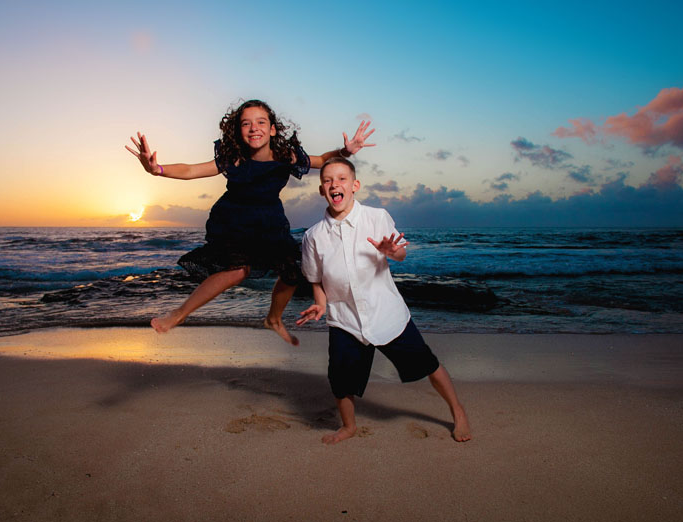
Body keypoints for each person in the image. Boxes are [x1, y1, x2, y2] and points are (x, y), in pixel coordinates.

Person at [127, 100, 374, 345]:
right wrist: (157, 169)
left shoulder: (285, 156)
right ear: (239, 131)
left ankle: (274, 319)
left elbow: (322, 159)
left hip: (269, 223)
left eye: (261, 122)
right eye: (246, 124)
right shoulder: (234, 159)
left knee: (292, 272)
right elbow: (192, 170)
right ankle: (178, 314)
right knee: (237, 271)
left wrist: (347, 152)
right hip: (234, 220)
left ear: (272, 129)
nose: (254, 128)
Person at [297, 157, 471, 443]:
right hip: (345, 319)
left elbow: (401, 253)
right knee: (340, 380)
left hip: (386, 313)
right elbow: (315, 278)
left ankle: (458, 410)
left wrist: (392, 251)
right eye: (327, 180)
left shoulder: (377, 217)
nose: (334, 184)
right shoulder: (313, 236)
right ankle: (349, 426)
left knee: (427, 363)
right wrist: (321, 302)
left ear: (354, 186)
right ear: (321, 190)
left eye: (341, 179)